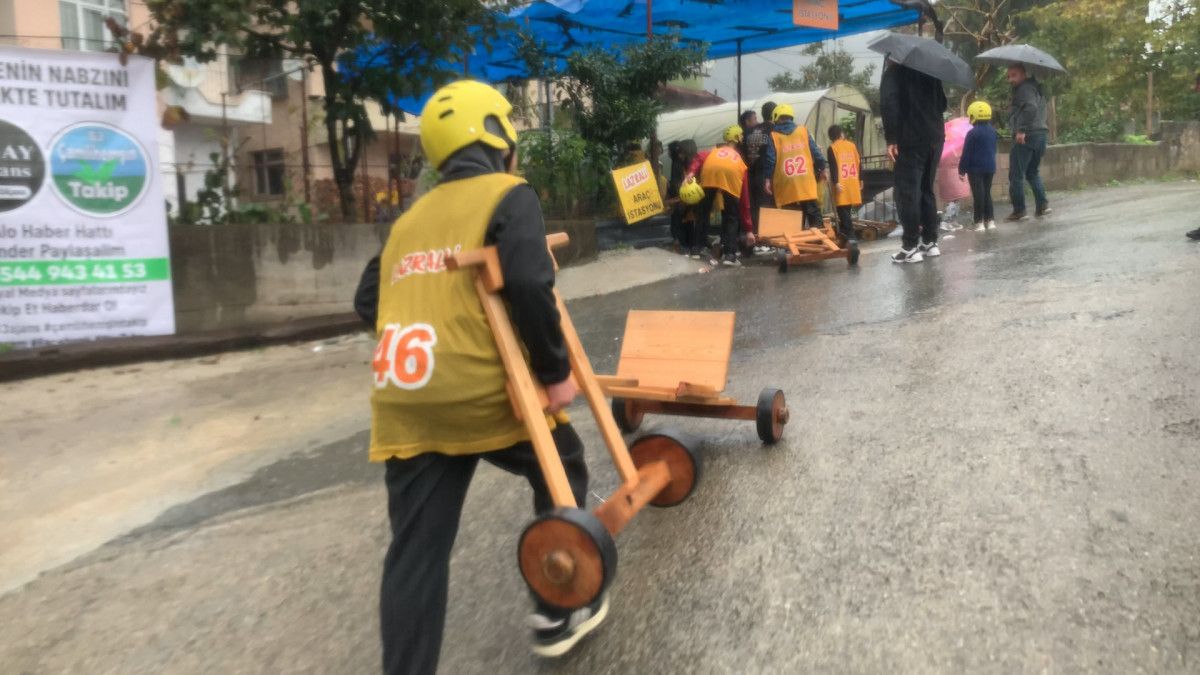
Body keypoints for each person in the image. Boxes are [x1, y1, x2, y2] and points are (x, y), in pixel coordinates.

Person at [351, 80, 603, 675]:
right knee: (561, 462)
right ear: (499, 136)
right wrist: (553, 373)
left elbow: (368, 299)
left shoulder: (409, 219)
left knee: (415, 554)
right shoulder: (510, 194)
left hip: (406, 398)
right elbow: (530, 283)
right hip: (483, 392)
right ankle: (557, 608)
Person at [880, 58, 948, 264]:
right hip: (935, 137)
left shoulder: (893, 73)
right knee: (926, 189)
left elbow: (888, 104)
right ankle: (930, 242)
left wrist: (891, 138)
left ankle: (910, 246)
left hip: (909, 139)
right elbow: (943, 104)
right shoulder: (930, 70)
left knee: (908, 192)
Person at [684, 125, 755, 265]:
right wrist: (749, 229)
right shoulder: (739, 161)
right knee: (731, 216)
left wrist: (691, 173)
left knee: (703, 212)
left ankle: (697, 249)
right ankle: (729, 255)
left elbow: (699, 157)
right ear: (737, 139)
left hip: (709, 172)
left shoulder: (714, 151)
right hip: (732, 174)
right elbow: (744, 201)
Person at [763, 103, 828, 232]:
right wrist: (822, 168)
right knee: (814, 216)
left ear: (776, 117)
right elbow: (816, 153)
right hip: (806, 182)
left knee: (792, 221)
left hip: (786, 184)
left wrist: (767, 179)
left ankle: (797, 247)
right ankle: (820, 242)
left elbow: (770, 160)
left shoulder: (773, 136)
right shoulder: (803, 131)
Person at [1006, 64, 1051, 221]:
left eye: (1014, 75)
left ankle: (1019, 211)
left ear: (1023, 75)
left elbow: (1030, 108)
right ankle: (1042, 205)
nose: (1010, 79)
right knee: (1032, 172)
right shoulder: (1036, 88)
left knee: (1016, 175)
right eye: (1009, 76)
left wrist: (1021, 130)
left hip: (1027, 136)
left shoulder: (1024, 89)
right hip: (1040, 135)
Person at [959, 100, 999, 232]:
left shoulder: (972, 133)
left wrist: (961, 170)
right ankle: (990, 220)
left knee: (978, 195)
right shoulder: (993, 132)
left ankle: (979, 222)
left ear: (974, 115)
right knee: (987, 193)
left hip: (975, 169)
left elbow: (966, 153)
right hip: (990, 167)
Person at [743, 101, 777, 247]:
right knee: (768, 208)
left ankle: (756, 240)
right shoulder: (773, 129)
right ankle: (766, 243)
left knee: (755, 208)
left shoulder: (750, 131)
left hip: (751, 175)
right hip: (765, 175)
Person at [825, 125, 862, 246]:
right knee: (847, 209)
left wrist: (835, 182)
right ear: (841, 134)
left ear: (831, 137)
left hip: (841, 183)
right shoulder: (851, 146)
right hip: (852, 180)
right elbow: (858, 162)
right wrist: (861, 179)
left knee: (843, 210)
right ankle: (846, 234)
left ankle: (850, 235)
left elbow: (833, 166)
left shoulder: (832, 148)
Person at [667, 139, 699, 252]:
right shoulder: (686, 162)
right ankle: (690, 245)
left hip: (686, 197)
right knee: (689, 221)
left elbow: (676, 181)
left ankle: (684, 244)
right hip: (689, 197)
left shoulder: (678, 163)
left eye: (681, 152)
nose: (679, 155)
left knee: (682, 220)